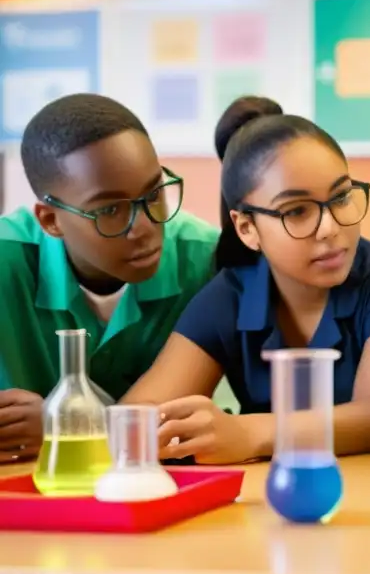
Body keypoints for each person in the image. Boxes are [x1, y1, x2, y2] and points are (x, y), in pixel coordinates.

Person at [122, 97, 370, 464]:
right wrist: (162, 429)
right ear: (246, 228)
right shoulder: (230, 296)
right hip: (263, 503)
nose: (330, 228)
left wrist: (249, 433)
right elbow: (138, 416)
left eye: (341, 197)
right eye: (297, 211)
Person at [0, 94, 219, 464]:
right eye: (110, 210)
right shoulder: (8, 262)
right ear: (50, 220)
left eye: (153, 194)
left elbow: (189, 427)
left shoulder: (206, 260)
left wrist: (66, 426)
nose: (146, 227)